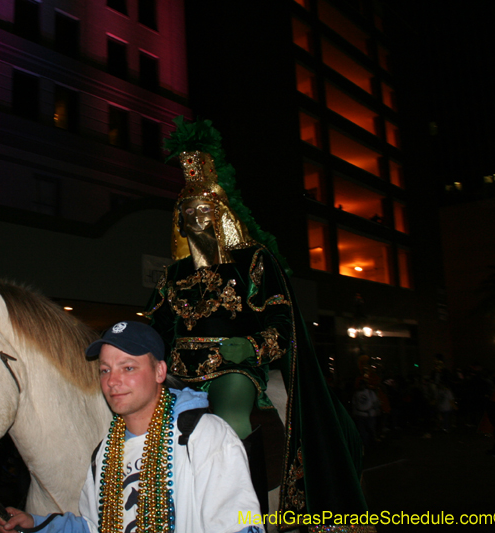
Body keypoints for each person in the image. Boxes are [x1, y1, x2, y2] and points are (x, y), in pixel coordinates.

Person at [144, 117, 370, 530]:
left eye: (202, 210)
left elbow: (282, 319)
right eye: (186, 212)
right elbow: (155, 328)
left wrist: (251, 346)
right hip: (176, 373)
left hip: (232, 365)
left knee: (229, 416)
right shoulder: (171, 276)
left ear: (219, 214)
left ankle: (245, 518)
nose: (195, 219)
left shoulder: (253, 262)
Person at [0, 321, 263, 533]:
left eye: (128, 368)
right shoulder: (106, 452)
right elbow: (94, 526)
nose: (112, 381)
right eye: (105, 370)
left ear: (160, 372)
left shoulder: (205, 436)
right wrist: (38, 525)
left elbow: (237, 525)